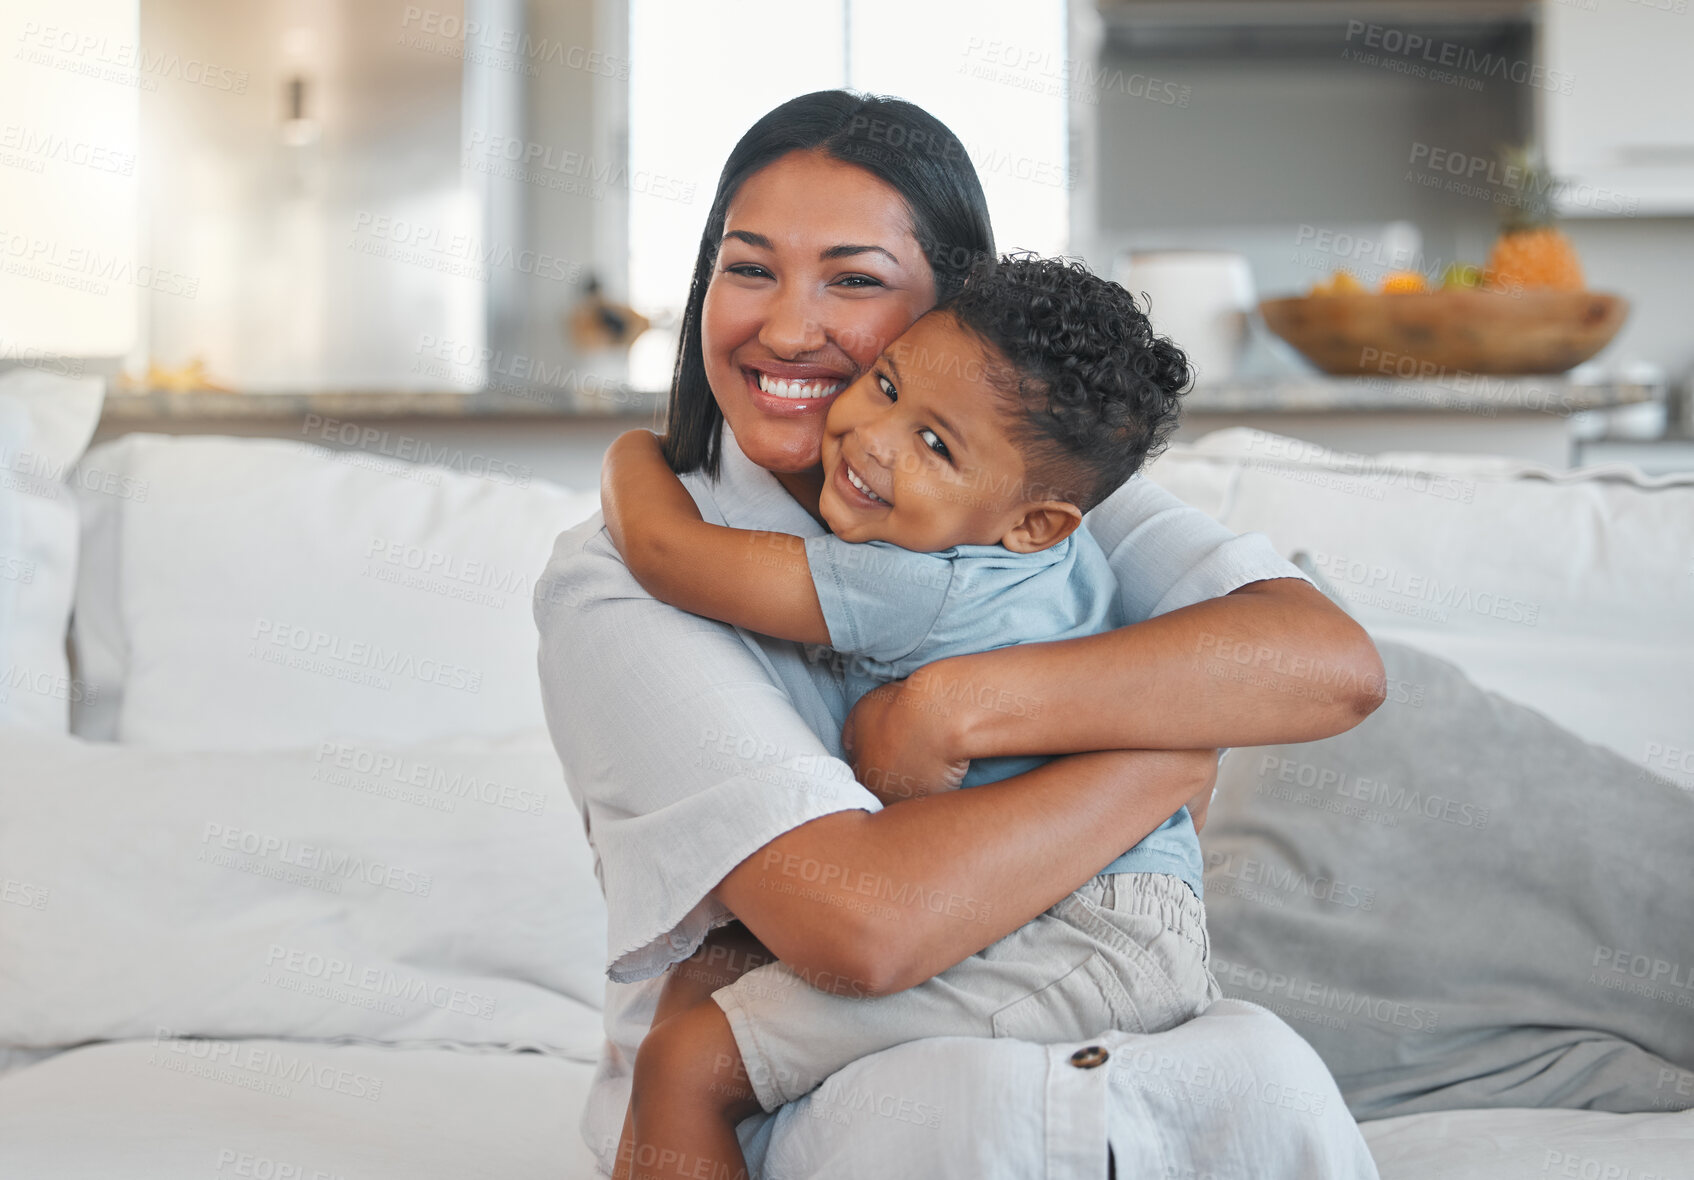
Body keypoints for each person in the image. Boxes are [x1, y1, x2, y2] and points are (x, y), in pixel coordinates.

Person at [535, 89, 1385, 1179]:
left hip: (1049, 976)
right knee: (959, 1103)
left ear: (952, 307)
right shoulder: (613, 580)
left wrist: (954, 705)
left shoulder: (1026, 494)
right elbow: (860, 927)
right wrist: (1172, 747)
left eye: (854, 280)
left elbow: (1324, 668)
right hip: (807, 1076)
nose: (788, 328)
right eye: (748, 268)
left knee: (1262, 1069)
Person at [597, 252, 1226, 1180]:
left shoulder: (910, 585)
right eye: (885, 386)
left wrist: (631, 450)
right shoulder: (1053, 558)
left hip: (1088, 936)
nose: (875, 440)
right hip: (1104, 913)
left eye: (936, 445)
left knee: (684, 1064)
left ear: (1037, 522)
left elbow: (663, 550)